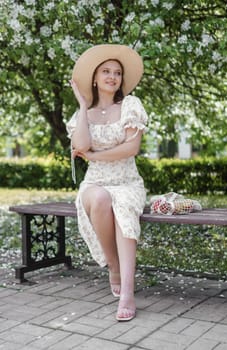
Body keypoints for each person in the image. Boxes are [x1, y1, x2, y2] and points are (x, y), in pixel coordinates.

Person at [67, 44, 148, 322]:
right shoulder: (83, 114)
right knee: (100, 198)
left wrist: (94, 155)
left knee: (122, 205)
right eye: (106, 71)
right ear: (95, 78)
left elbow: (131, 148)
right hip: (95, 183)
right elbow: (81, 145)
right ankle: (113, 265)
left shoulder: (130, 105)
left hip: (127, 181)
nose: (112, 77)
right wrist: (81, 105)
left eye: (117, 73)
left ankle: (127, 292)